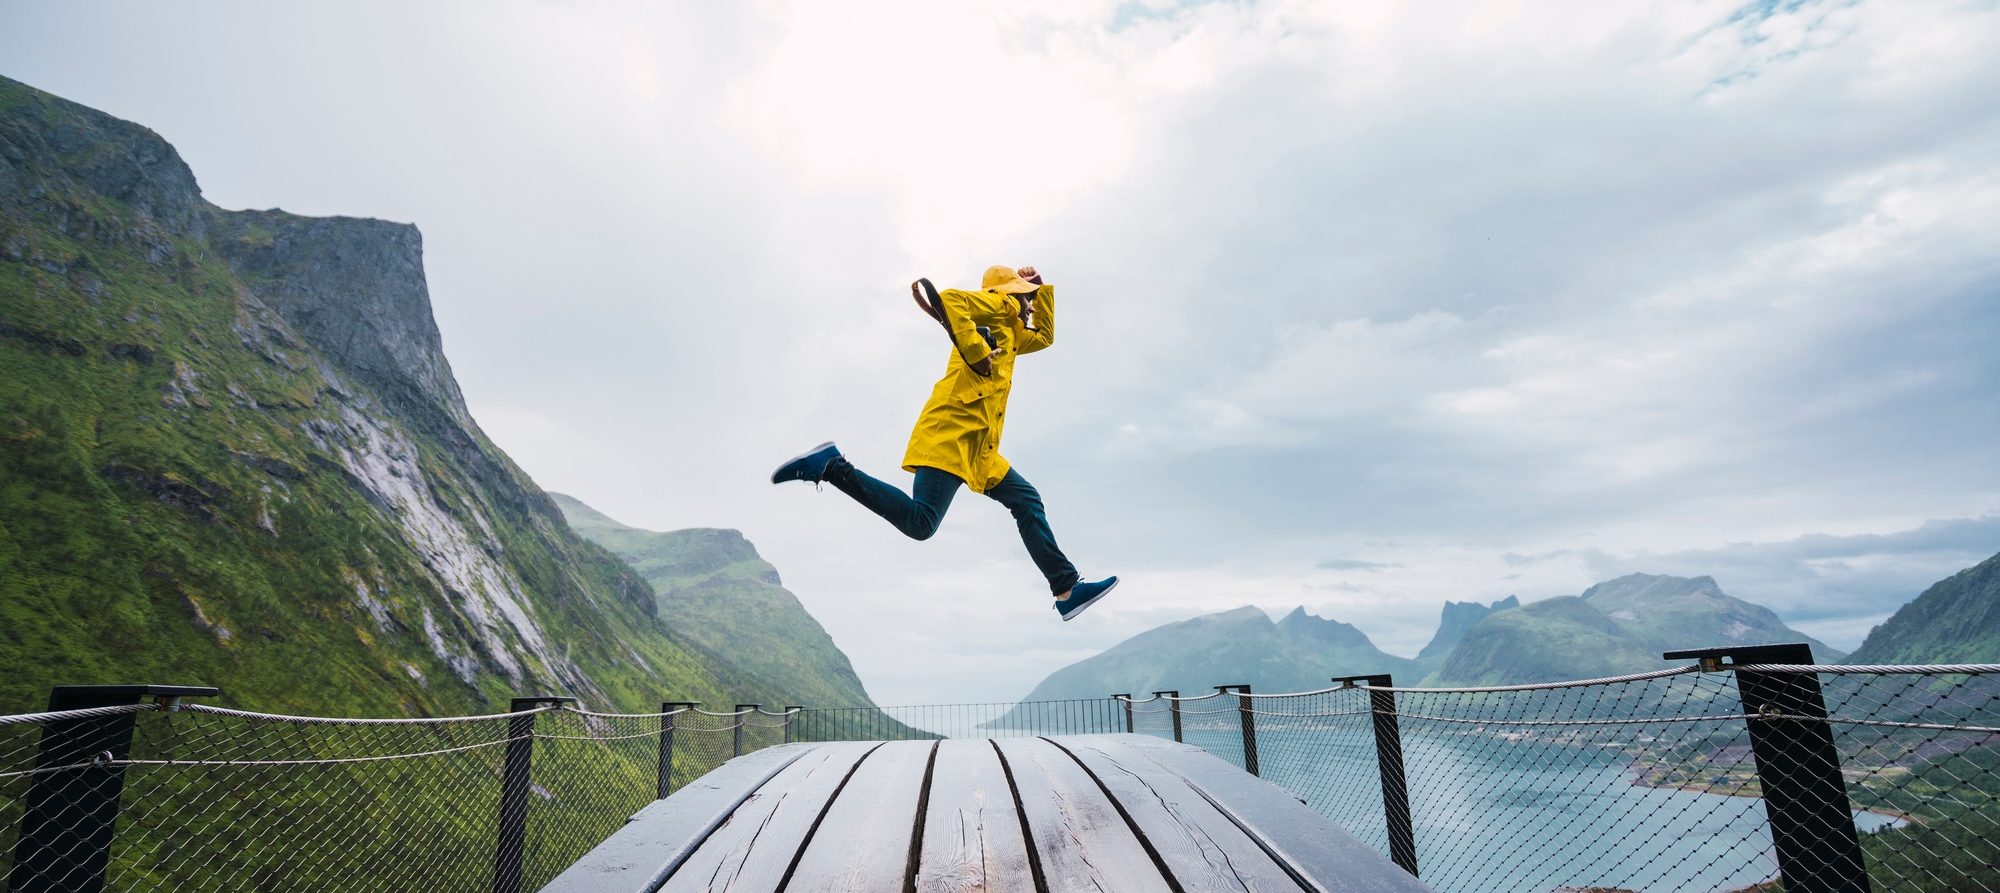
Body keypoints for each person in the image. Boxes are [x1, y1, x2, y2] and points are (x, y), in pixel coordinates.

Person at [771, 265, 1118, 621]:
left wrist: (1042, 291)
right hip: (951, 433)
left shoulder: (1012, 333)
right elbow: (951, 299)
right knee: (921, 523)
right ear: (1010, 293)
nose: (1030, 304)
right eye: (1026, 296)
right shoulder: (998, 307)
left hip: (979, 449)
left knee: (1026, 500)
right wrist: (977, 352)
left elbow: (1044, 337)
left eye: (1030, 297)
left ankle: (1067, 589)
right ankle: (832, 467)